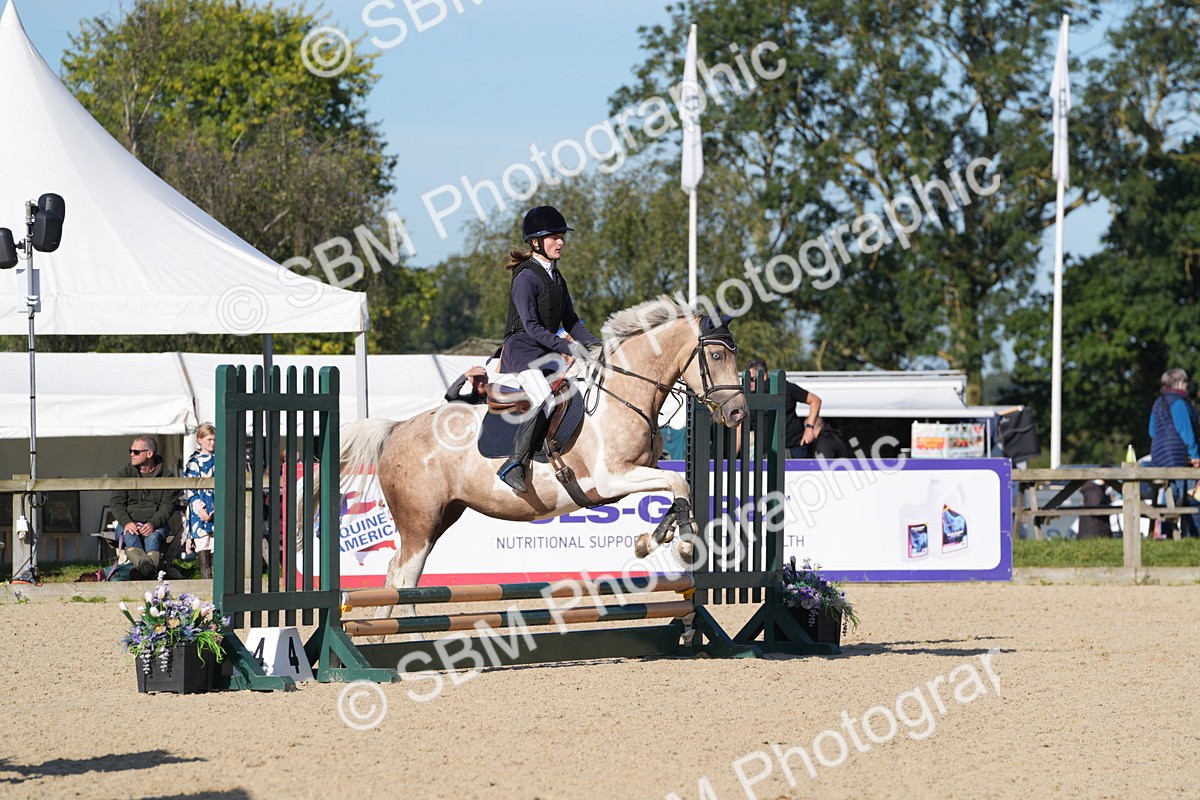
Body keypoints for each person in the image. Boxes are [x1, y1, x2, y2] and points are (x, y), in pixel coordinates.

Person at [495, 205, 601, 492]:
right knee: (545, 398)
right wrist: (568, 345)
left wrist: (593, 343)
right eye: (554, 236)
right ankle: (514, 463)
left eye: (561, 236)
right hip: (522, 353)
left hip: (544, 353)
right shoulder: (525, 277)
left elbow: (571, 320)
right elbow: (531, 327)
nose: (561, 241)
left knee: (575, 389)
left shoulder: (557, 277)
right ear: (535, 242)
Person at [110, 434, 178, 578]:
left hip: (156, 523)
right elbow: (117, 503)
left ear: (149, 453)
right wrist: (127, 522)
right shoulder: (124, 473)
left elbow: (168, 506)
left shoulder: (167, 476)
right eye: (130, 451)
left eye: (136, 452)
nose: (131, 454)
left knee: (153, 538)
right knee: (130, 536)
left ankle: (141, 570)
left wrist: (153, 524)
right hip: (129, 522)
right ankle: (149, 570)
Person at [1148, 367, 1200, 537]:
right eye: (1185, 382)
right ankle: (1188, 533)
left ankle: (1166, 531)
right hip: (1177, 454)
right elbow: (1186, 432)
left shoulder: (1158, 403)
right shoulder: (1179, 403)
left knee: (1168, 492)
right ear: (1179, 383)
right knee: (1185, 493)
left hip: (1158, 454)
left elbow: (1152, 431)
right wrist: (1194, 455)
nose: (1186, 386)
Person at [744, 359, 822, 458]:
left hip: (793, 448)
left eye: (752, 379)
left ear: (764, 375)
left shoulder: (784, 387)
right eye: (747, 380)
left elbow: (815, 400)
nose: (749, 383)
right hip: (765, 451)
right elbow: (739, 429)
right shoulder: (748, 396)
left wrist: (809, 427)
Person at [183, 423, 216, 578]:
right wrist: (200, 509)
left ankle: (218, 582)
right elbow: (190, 488)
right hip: (200, 510)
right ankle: (206, 580)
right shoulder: (193, 462)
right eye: (209, 439)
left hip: (216, 507)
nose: (212, 443)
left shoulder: (218, 460)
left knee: (216, 543)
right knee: (203, 543)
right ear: (200, 440)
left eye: (214, 440)